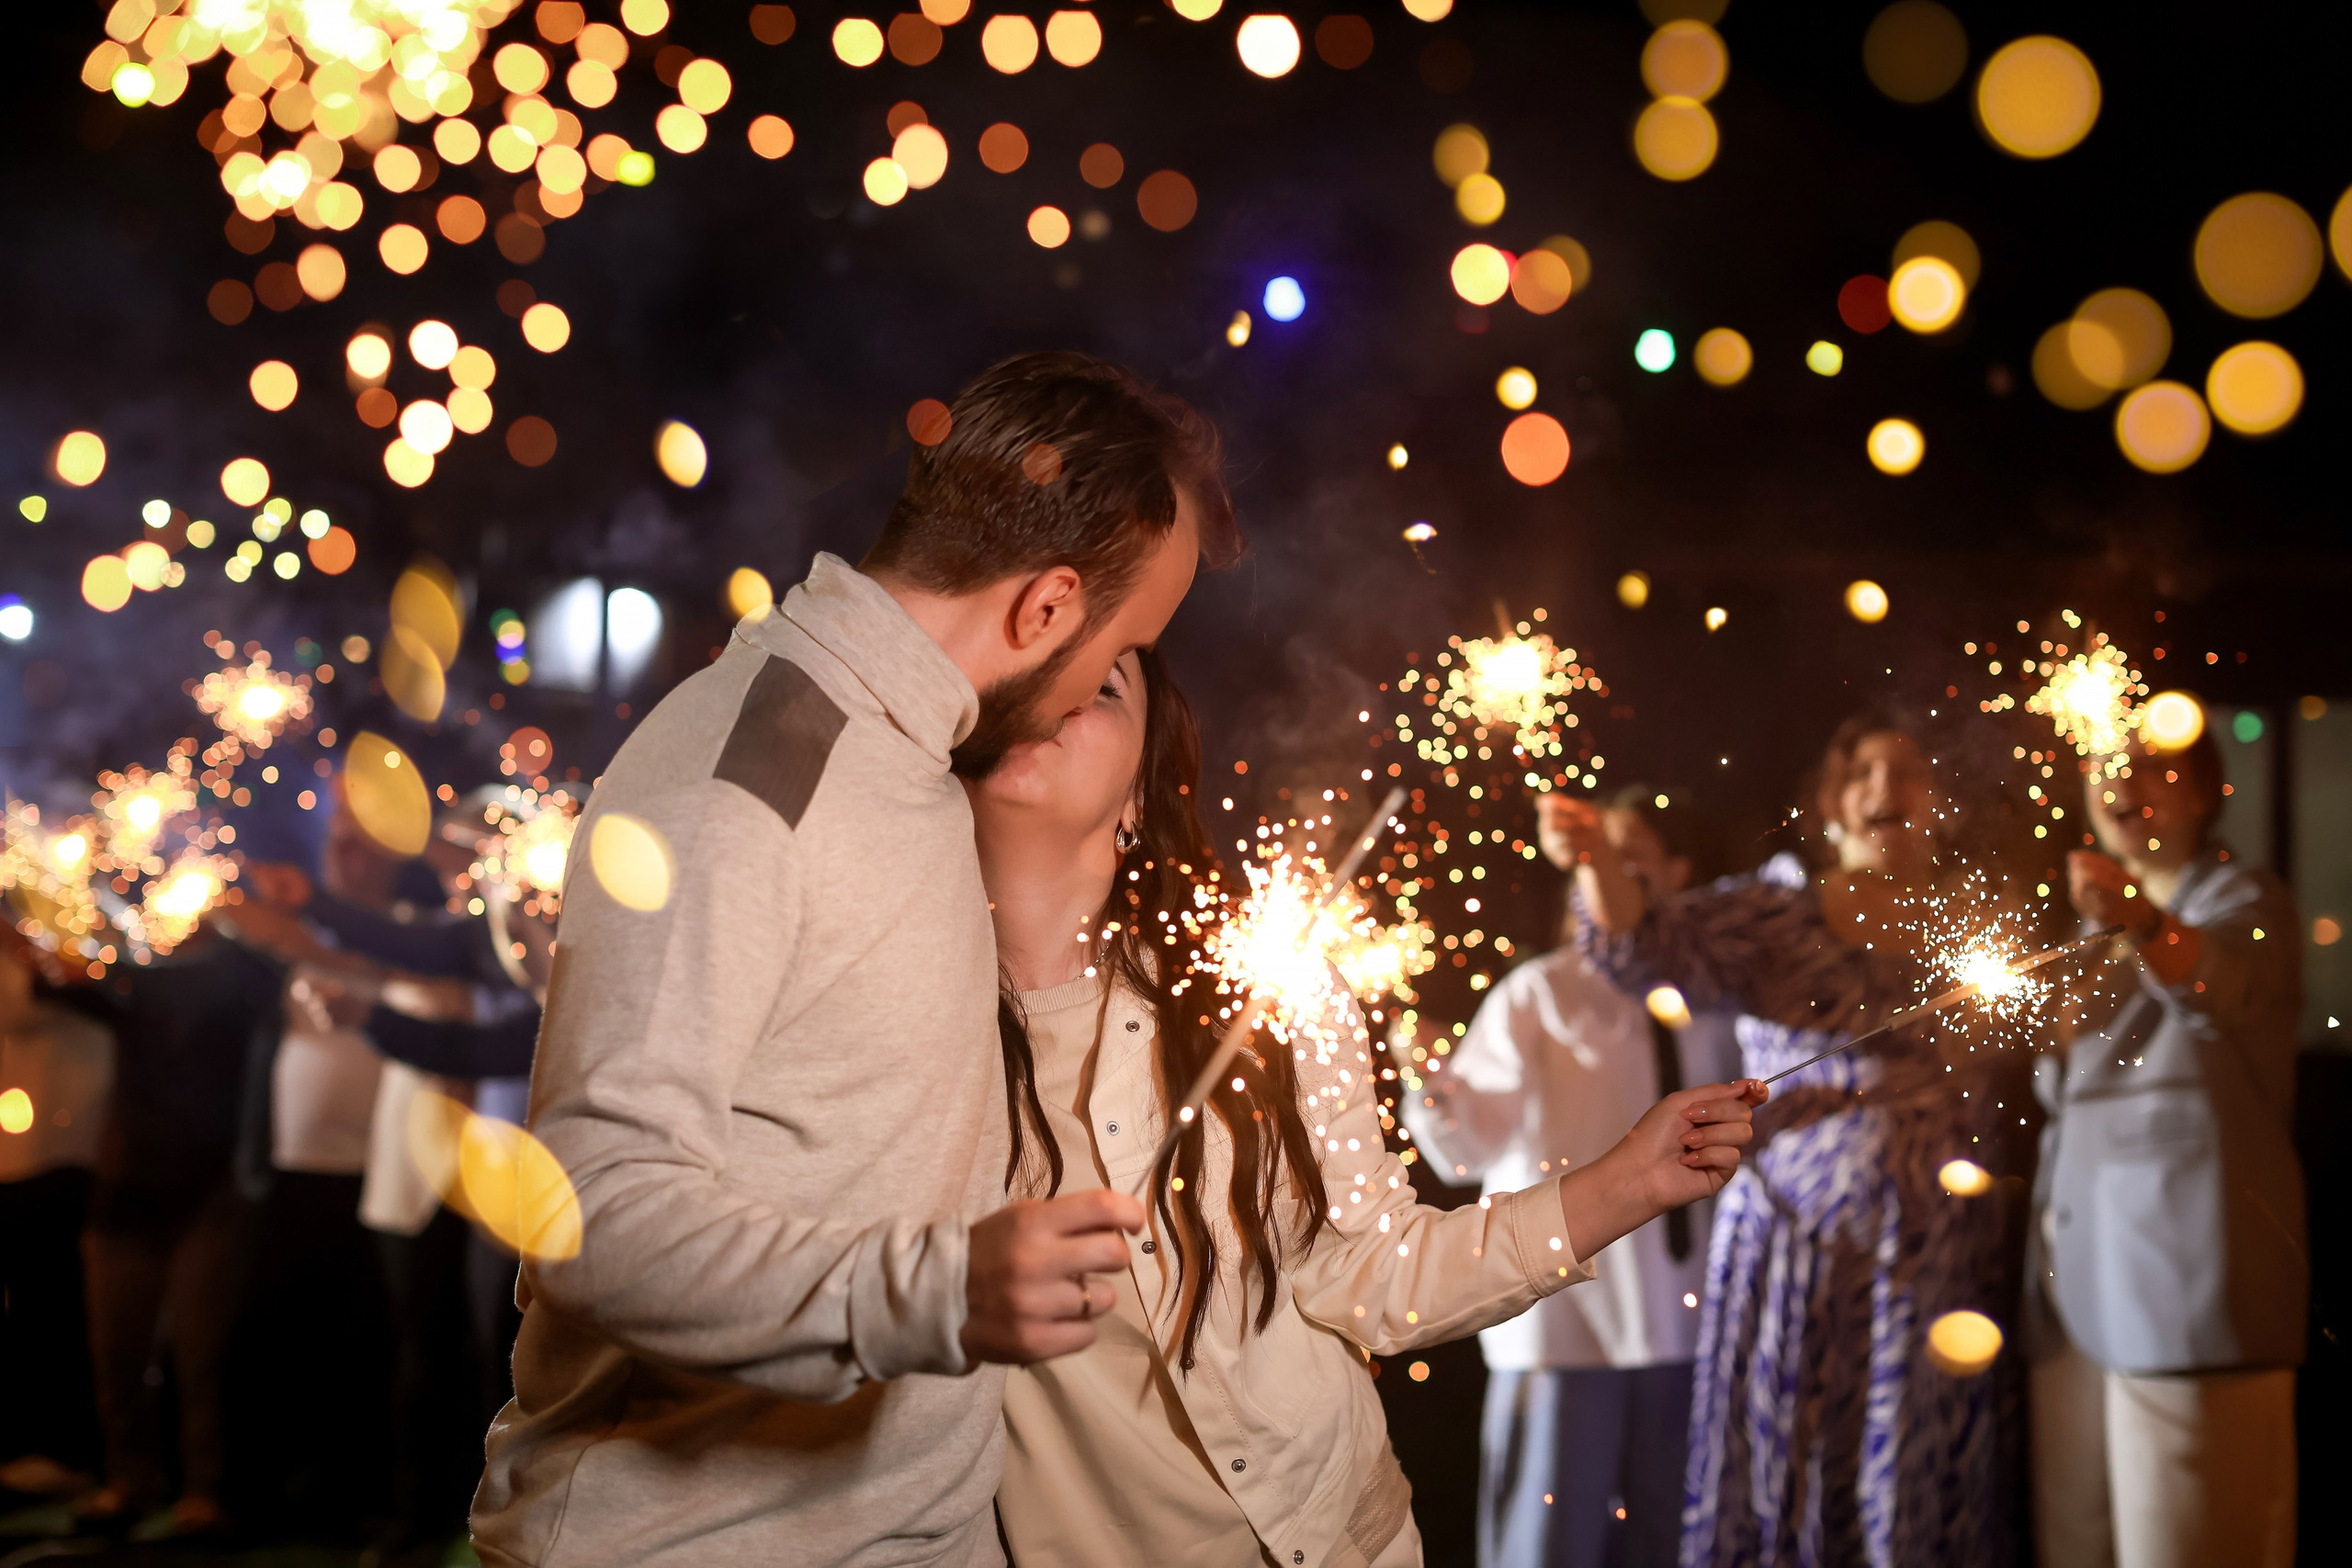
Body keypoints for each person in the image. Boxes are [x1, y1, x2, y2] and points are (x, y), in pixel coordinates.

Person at [470, 353, 1227, 1567]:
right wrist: (938, 1291)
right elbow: (594, 1217)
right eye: (1121, 642)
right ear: (1043, 608)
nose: (1103, 685)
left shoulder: (908, 752)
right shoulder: (752, 780)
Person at [976, 648, 1766, 1568]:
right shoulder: (889, 1034)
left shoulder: (1275, 996)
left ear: (1140, 799)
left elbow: (1372, 1272)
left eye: (1104, 684)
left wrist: (1627, 1181)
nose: (1060, 691)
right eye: (1032, 671)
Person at [1562, 709, 2016, 1568]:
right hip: (1798, 1257)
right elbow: (1638, 947)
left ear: (1940, 801)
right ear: (1833, 803)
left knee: (1911, 1472)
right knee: (1796, 1466)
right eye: (1864, 773)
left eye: (1910, 771)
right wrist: (1591, 856)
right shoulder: (1778, 909)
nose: (1887, 788)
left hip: (1929, 1259)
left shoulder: (1973, 924)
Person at [1398, 788, 1741, 1568]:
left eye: (1631, 855)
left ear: (1678, 870)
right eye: (1598, 856)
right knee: (1550, 1546)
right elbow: (1466, 1147)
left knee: (1675, 1542)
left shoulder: (1716, 997)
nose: (1614, 872)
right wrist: (1431, 1078)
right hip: (1565, 1320)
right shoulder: (1540, 990)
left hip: (1691, 1327)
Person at [2029, 723, 2303, 1568]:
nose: (2125, 781)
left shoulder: (2243, 901)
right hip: (2070, 1304)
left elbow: (2220, 982)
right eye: (2108, 766)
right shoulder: (2085, 935)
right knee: (2078, 1542)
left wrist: (2142, 917)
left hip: (2188, 1310)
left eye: (2155, 767)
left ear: (2201, 793)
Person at [0, 923, 114, 1498]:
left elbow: (34, 1001)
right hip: (19, 1149)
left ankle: (62, 1446)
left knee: (52, 1299)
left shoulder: (71, 924)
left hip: (67, 1146)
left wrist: (23, 946)